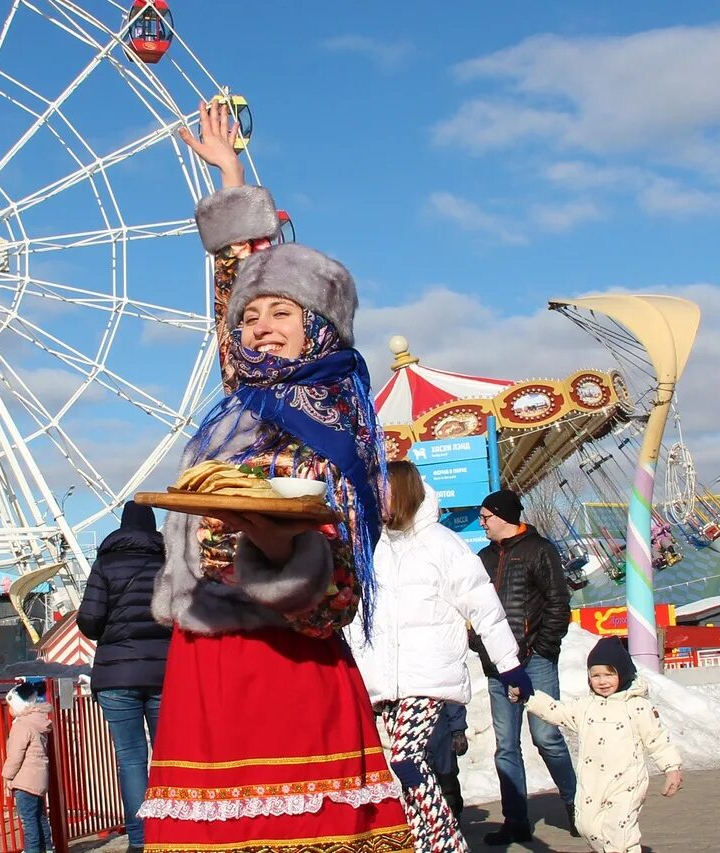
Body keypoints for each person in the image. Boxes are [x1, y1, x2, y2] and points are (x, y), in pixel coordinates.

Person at [139, 100, 412, 852]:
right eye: (250, 317)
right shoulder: (244, 397)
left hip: (284, 653)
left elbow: (341, 579)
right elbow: (236, 280)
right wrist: (231, 179)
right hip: (207, 656)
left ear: (318, 327)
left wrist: (273, 547)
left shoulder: (336, 419)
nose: (258, 325)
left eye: (280, 313)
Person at [346, 460, 528, 850]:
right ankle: (424, 842)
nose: (377, 499)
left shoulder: (442, 544)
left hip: (429, 674)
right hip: (389, 678)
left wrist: (508, 663)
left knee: (406, 760)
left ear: (404, 492)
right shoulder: (376, 547)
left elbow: (483, 606)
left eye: (384, 491)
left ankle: (448, 842)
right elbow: (362, 619)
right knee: (411, 770)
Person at [473, 488, 578, 845]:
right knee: (506, 745)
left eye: (486, 517)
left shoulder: (540, 550)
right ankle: (515, 819)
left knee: (547, 736)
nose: (482, 523)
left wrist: (544, 648)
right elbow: (472, 609)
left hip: (536, 662)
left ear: (503, 516)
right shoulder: (482, 558)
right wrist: (482, 647)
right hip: (497, 668)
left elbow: (558, 602)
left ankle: (578, 805)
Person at [518, 637, 683, 853]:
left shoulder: (636, 706)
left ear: (622, 674)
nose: (602, 681)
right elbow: (557, 712)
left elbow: (657, 739)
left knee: (619, 832)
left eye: (609, 674)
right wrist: (529, 696)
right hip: (592, 782)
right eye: (595, 675)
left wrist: (672, 768)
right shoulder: (586, 706)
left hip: (626, 782)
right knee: (586, 826)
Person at [76, 501, 171, 853]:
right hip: (164, 673)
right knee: (167, 754)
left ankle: (141, 840)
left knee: (130, 758)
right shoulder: (168, 564)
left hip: (116, 675)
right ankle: (172, 829)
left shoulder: (105, 564)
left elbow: (89, 621)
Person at [2, 680, 55, 853]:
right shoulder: (38, 722)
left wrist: (7, 776)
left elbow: (15, 756)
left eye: (10, 706)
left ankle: (32, 850)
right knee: (40, 817)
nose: (9, 710)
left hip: (24, 782)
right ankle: (47, 848)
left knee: (28, 821)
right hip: (37, 780)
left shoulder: (21, 726)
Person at [427, 702, 468, 822]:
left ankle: (453, 817)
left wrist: (458, 730)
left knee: (446, 775)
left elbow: (452, 695)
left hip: (440, 726)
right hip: (410, 726)